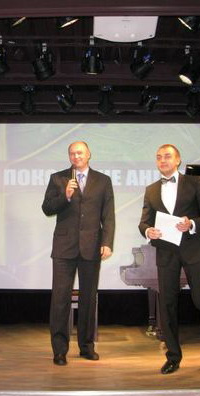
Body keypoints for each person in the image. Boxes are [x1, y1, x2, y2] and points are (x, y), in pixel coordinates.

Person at [138, 144, 200, 374]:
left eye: (167, 156)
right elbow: (144, 222)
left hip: (193, 249)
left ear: (178, 160)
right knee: (167, 305)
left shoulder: (195, 183)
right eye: (158, 157)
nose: (162, 160)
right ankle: (173, 357)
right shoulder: (151, 190)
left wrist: (192, 224)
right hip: (166, 253)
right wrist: (148, 231)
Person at [41, 141, 115, 366]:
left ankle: (86, 346)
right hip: (64, 248)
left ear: (88, 154)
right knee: (60, 300)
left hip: (92, 246)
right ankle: (59, 350)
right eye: (72, 153)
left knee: (88, 299)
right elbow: (46, 208)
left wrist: (107, 242)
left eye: (80, 152)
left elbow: (108, 215)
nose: (76, 156)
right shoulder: (58, 178)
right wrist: (65, 196)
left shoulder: (103, 180)